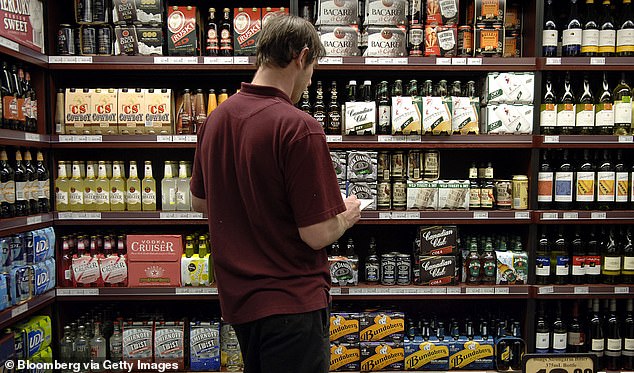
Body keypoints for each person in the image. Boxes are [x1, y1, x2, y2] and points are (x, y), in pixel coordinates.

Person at [190, 14, 361, 373]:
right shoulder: (299, 127)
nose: (311, 80)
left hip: (240, 304)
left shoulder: (216, 120)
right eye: (313, 68)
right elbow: (315, 234)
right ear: (301, 57)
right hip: (292, 305)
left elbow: (200, 201)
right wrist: (346, 214)